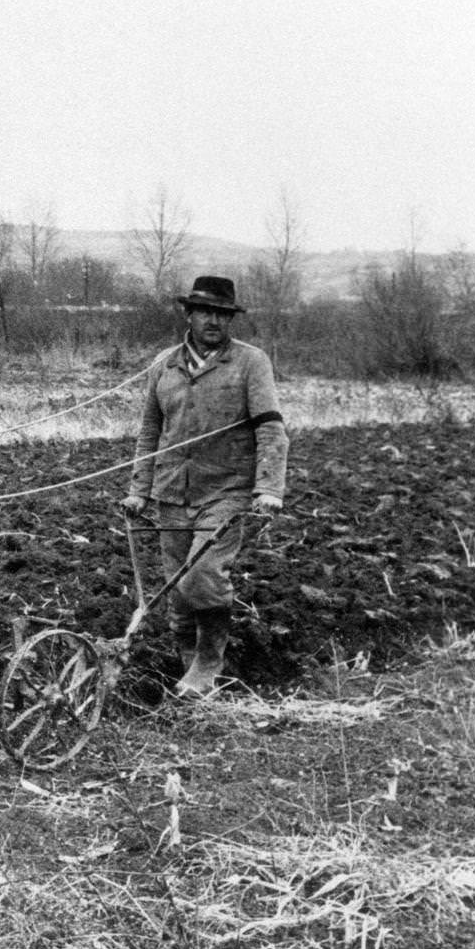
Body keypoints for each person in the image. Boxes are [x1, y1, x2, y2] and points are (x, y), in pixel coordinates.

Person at [120, 275, 289, 696]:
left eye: (222, 313)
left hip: (227, 489)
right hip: (172, 489)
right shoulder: (164, 364)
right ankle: (186, 669)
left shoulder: (251, 363)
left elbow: (271, 428)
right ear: (189, 314)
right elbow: (149, 430)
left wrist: (269, 488)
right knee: (178, 587)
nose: (214, 320)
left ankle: (209, 664)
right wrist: (140, 489)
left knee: (203, 575)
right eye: (205, 311)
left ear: (230, 319)